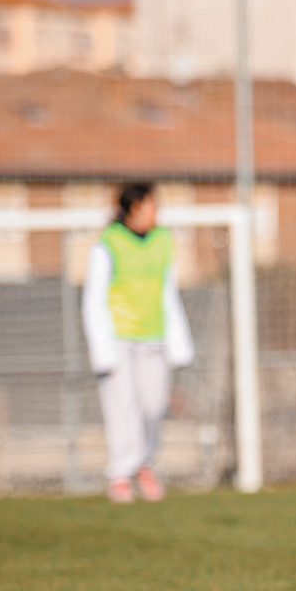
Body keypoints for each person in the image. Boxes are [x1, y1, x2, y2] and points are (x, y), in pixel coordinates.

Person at [82, 183, 194, 504]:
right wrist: (101, 348)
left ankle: (144, 461)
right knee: (121, 405)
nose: (156, 211)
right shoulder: (108, 243)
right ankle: (120, 472)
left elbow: (167, 291)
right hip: (118, 336)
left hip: (154, 335)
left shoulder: (162, 240)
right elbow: (94, 297)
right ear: (134, 208)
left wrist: (178, 341)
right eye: (151, 205)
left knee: (154, 404)